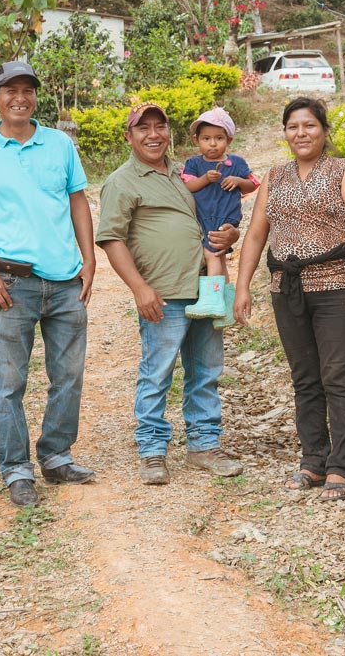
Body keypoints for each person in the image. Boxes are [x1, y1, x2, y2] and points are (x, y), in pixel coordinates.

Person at [0, 60, 97, 508]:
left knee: (68, 376)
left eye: (27, 90)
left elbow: (77, 201)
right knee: (9, 382)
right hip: (10, 285)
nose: (20, 97)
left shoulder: (59, 144)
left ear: (36, 96)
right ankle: (16, 470)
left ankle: (56, 456)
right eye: (9, 90)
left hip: (66, 281)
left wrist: (90, 259)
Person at [234, 97, 345, 502]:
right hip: (288, 290)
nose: (301, 133)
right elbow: (257, 235)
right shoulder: (275, 177)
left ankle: (341, 468)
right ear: (285, 133)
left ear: (324, 131)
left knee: (338, 377)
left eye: (310, 125)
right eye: (293, 126)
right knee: (305, 379)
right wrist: (242, 285)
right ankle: (313, 461)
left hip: (336, 287)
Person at [97, 101, 245, 486]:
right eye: (142, 128)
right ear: (129, 136)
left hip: (205, 285)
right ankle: (151, 450)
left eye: (159, 126)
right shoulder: (122, 181)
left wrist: (231, 235)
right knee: (158, 372)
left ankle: (204, 445)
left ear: (169, 132)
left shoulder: (184, 175)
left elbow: (213, 218)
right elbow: (112, 239)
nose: (152, 134)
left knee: (206, 370)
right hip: (162, 292)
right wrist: (139, 288)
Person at [180, 106, 257, 323]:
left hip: (224, 218)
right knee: (220, 259)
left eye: (218, 138)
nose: (212, 143)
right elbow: (189, 187)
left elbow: (252, 184)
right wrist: (205, 179)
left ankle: (211, 300)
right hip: (203, 217)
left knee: (212, 254)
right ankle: (225, 305)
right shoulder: (194, 164)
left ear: (228, 140)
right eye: (206, 138)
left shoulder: (237, 163)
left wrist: (238, 181)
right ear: (197, 141)